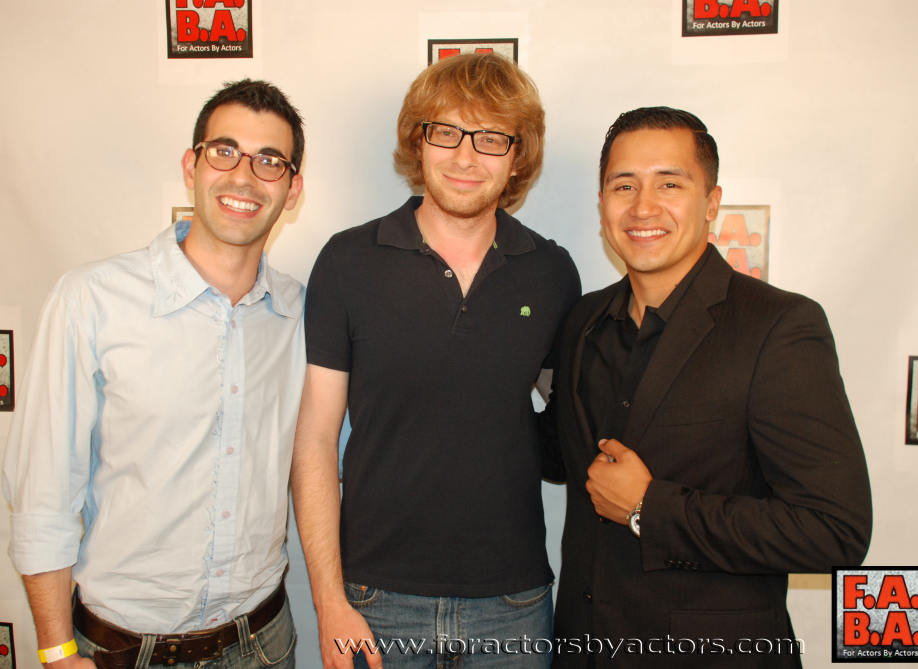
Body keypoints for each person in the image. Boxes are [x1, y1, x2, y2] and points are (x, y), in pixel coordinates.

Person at [541, 107, 872, 669]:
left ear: (712, 203)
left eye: (669, 183)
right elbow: (556, 453)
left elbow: (834, 531)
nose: (643, 206)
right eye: (624, 185)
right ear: (602, 205)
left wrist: (651, 508)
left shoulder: (779, 327)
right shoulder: (582, 321)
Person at [2, 79, 306, 669]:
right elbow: (43, 492)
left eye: (270, 161)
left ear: (292, 190)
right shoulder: (91, 299)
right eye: (225, 151)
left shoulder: (300, 313)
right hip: (119, 651)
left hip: (265, 644)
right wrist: (57, 650)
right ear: (191, 164)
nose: (244, 177)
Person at [291, 52, 581, 669]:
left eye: (491, 137)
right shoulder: (348, 262)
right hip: (374, 602)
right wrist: (330, 601)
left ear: (517, 155)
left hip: (513, 602)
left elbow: (570, 416)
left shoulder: (552, 274)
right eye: (445, 132)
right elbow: (314, 440)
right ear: (417, 143)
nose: (466, 156)